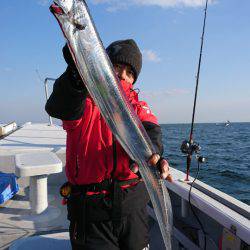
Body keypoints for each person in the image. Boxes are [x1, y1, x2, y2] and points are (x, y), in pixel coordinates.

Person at [45, 39, 172, 250]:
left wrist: (156, 156)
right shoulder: (84, 99)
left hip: (133, 208)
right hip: (90, 212)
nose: (123, 75)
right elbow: (60, 106)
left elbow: (152, 135)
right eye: (117, 66)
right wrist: (76, 76)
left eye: (130, 72)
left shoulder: (139, 107)